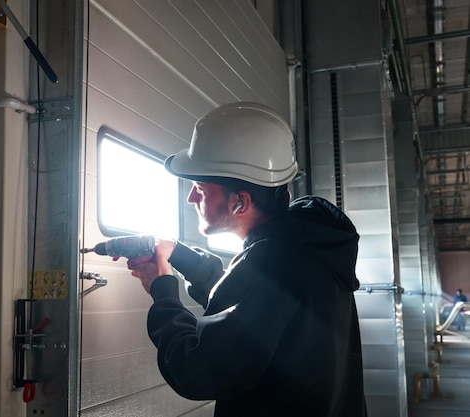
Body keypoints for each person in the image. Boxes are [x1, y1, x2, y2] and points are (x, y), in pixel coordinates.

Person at [126, 102, 368, 416]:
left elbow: (198, 370)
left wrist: (162, 292)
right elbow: (253, 307)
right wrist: (178, 255)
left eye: (200, 188)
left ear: (240, 203)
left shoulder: (273, 261)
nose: (191, 198)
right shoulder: (303, 249)